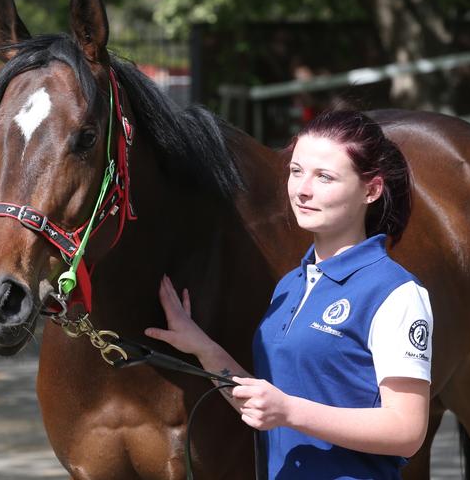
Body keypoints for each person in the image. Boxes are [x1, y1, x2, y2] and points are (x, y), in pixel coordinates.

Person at [144, 109, 433, 479]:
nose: (302, 190)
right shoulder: (291, 285)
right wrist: (202, 347)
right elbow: (268, 406)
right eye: (296, 171)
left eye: (324, 177)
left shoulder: (396, 293)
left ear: (371, 190)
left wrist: (289, 411)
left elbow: (406, 432)